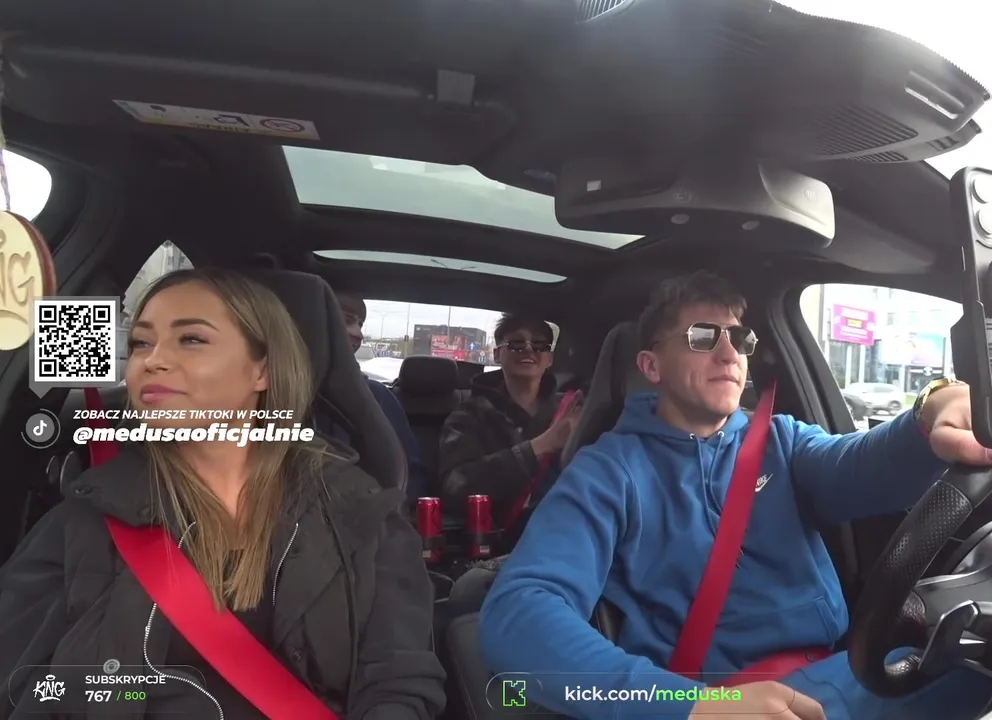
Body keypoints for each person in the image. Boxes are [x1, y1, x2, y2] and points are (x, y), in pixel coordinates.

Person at [478, 271, 992, 720]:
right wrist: (687, 706)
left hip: (850, 674)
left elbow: (864, 464)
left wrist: (931, 411)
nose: (729, 353)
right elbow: (517, 614)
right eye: (703, 336)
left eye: (740, 338)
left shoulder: (783, 441)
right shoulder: (607, 472)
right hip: (721, 702)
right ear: (651, 365)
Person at [0, 268, 447, 719]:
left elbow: (398, 682)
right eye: (140, 343)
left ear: (262, 370)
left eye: (191, 339)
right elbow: (18, 681)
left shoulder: (360, 515)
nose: (153, 360)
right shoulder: (87, 518)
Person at [439, 313, 578, 612]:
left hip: (566, 543)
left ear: (550, 358)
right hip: (496, 550)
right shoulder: (468, 416)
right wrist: (541, 446)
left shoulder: (572, 412)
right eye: (516, 344)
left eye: (539, 345)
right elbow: (456, 487)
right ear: (497, 354)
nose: (528, 350)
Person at [333, 291, 429, 502]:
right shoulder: (270, 393)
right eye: (347, 321)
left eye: (360, 324)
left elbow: (411, 479)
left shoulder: (377, 398)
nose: (359, 334)